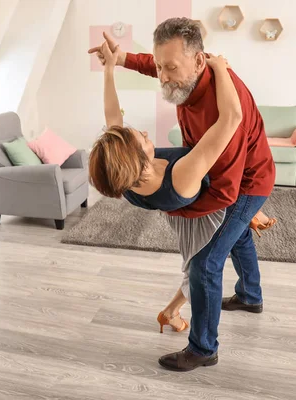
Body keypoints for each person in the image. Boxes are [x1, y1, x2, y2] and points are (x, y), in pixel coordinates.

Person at [89, 18, 276, 372]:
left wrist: (117, 62)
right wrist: (180, 212)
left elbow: (226, 191)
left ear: (198, 61)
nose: (161, 75)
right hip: (199, 179)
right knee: (228, 243)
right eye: (160, 66)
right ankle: (248, 299)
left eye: (169, 67)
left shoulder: (130, 170)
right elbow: (213, 192)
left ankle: (206, 346)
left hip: (247, 181)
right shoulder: (185, 85)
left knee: (206, 263)